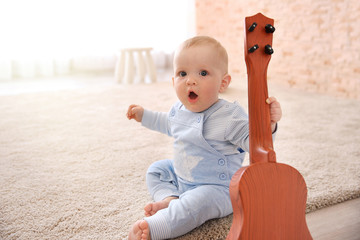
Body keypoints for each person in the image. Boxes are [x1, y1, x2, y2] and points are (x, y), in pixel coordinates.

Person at [127, 36, 282, 240]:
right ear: (174, 81)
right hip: (183, 177)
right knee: (157, 170)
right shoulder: (179, 110)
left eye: (203, 73)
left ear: (223, 83)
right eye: (182, 73)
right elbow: (167, 123)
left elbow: (254, 142)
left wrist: (268, 125)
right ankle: (170, 197)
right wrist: (144, 115)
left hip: (218, 189)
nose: (190, 80)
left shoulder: (229, 116)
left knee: (198, 204)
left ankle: (158, 226)